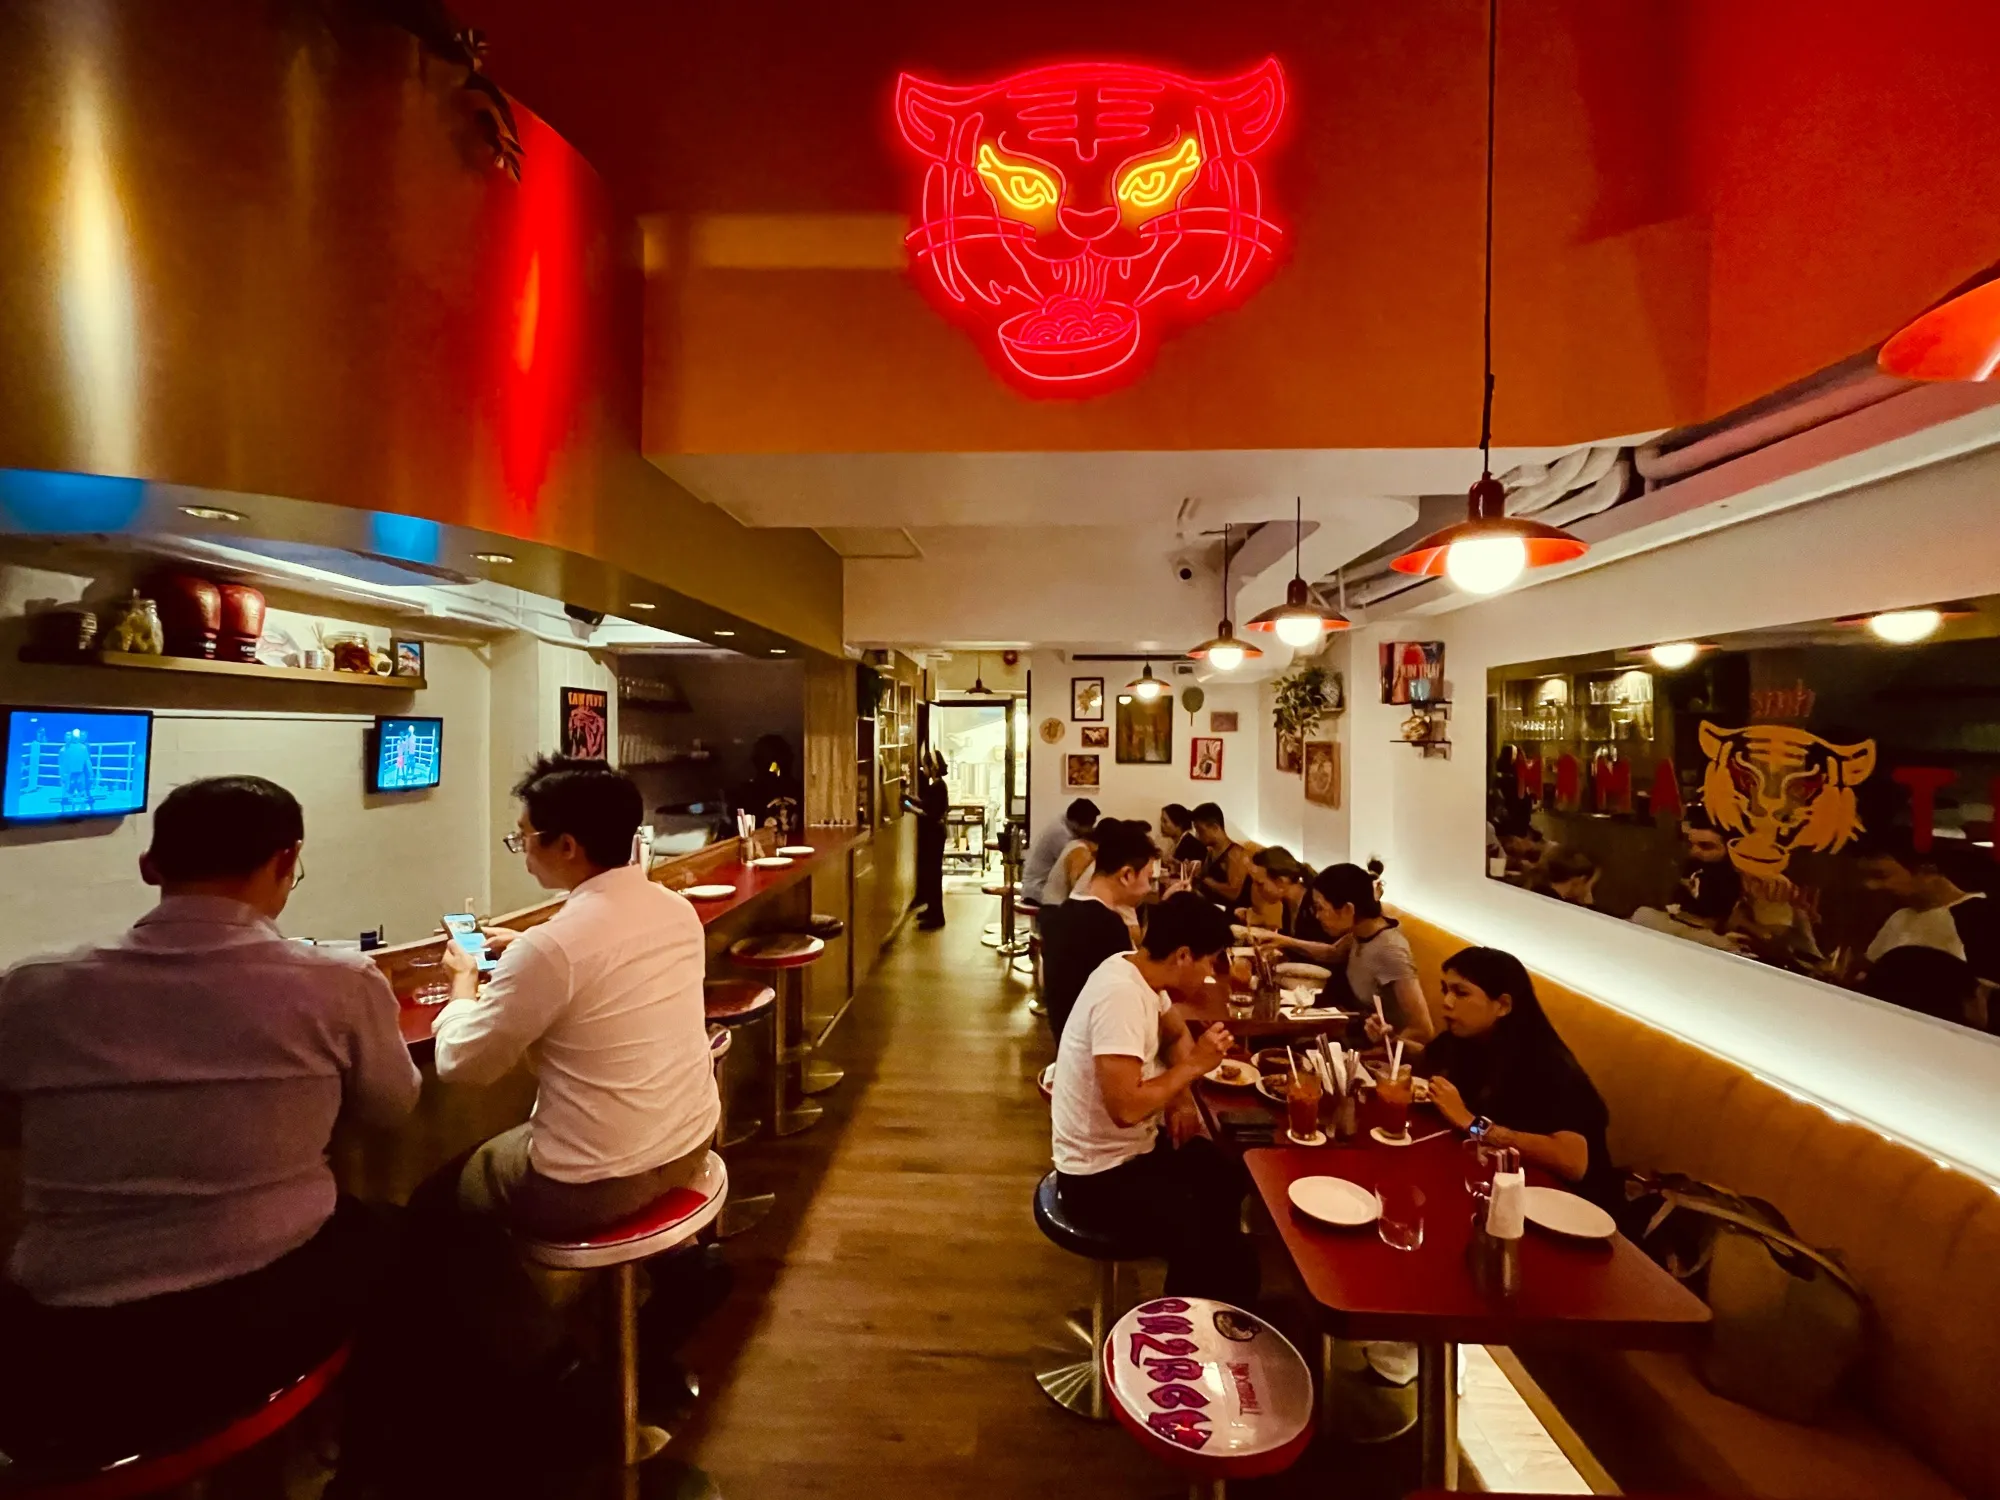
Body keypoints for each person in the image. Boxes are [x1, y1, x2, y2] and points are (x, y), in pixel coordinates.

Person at [0, 776, 420, 1460]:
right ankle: (370, 1462)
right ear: (287, 860)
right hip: (260, 1315)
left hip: (58, 1349)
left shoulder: (31, 989)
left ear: (150, 866)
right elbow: (392, 1108)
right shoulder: (339, 984)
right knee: (411, 1235)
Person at [433, 756, 719, 1364]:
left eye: (524, 838)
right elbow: (599, 966)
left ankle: (542, 1357)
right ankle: (680, 1267)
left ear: (566, 845)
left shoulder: (554, 947)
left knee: (444, 1199)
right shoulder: (674, 909)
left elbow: (463, 1064)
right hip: (691, 1144)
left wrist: (463, 983)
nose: (522, 852)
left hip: (598, 1185)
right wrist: (527, 953)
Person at [1052, 893, 1257, 1303]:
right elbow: (1126, 1108)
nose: (1210, 973)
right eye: (1210, 961)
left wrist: (1180, 1098)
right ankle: (1185, 1325)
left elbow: (1176, 1033)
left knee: (1227, 1176)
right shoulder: (1120, 996)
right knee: (1214, 1241)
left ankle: (1197, 1297)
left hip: (1132, 1151)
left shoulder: (1139, 973)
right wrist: (1193, 1067)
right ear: (1183, 955)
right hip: (1096, 1176)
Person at [1416, 947, 1619, 1209]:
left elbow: (1574, 1163)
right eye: (1445, 990)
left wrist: (1473, 1124)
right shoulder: (1465, 1039)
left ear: (1503, 1005)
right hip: (1497, 1186)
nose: (1447, 1001)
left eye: (1461, 993)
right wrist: (1391, 1040)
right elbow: (1427, 1060)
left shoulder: (1546, 1064)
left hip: (1569, 1208)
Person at [1040, 819, 1157, 1041]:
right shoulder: (1107, 926)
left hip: (1067, 1039)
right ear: (1126, 875)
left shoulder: (1062, 915)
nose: (1149, 888)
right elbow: (1142, 985)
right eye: (1148, 877)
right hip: (1094, 1044)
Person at [1308, 861, 1436, 1042]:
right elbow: (1332, 952)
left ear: (1348, 909)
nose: (1317, 916)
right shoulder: (1360, 932)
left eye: (1320, 908)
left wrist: (1387, 1042)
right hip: (1357, 1031)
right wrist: (1282, 941)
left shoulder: (1390, 950)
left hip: (1382, 1049)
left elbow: (1423, 1030)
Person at [1022, 797, 1098, 903]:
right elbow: (1072, 867)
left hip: (1040, 886)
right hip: (1037, 890)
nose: (1090, 829)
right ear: (1075, 823)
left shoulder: (1064, 822)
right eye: (1089, 826)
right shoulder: (1061, 834)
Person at [911, 749, 950, 931]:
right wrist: (912, 800)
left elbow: (930, 813)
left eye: (925, 766)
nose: (923, 769)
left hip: (935, 834)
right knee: (931, 873)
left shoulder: (938, 787)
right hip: (935, 833)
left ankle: (937, 916)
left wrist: (911, 808)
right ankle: (932, 909)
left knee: (933, 874)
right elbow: (926, 804)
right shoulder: (937, 785)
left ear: (932, 767)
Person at [1190, 802, 1253, 910]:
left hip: (1230, 913)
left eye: (1200, 831)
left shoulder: (1236, 854)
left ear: (1215, 828)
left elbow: (1233, 893)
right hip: (1209, 906)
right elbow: (1203, 879)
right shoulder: (1211, 850)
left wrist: (1206, 880)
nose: (1197, 836)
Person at [1040, 820, 1102, 906]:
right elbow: (1077, 890)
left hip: (1051, 902)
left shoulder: (1075, 843)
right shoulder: (1082, 852)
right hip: (1057, 906)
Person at [1523, 846, 1600, 906]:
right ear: (1579, 880)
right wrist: (1589, 904)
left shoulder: (1533, 892)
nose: (1588, 891)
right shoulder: (1564, 909)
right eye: (1590, 885)